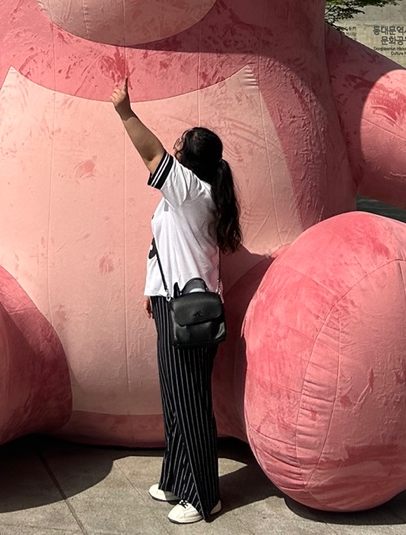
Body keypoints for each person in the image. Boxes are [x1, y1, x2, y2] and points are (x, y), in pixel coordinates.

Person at [111, 77, 241, 525]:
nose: (173, 148)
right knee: (176, 398)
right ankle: (175, 481)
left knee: (189, 403)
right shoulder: (189, 196)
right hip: (175, 303)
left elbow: (151, 154)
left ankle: (205, 496)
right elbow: (164, 248)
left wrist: (125, 112)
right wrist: (152, 292)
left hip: (190, 311)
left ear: (189, 161)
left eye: (180, 145)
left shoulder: (189, 190)